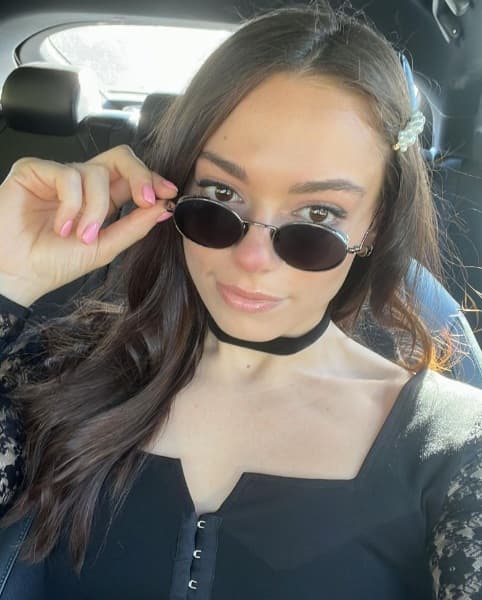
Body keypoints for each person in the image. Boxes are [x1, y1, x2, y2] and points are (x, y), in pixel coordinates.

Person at [0, 2, 480, 598]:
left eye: (317, 215)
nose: (252, 259)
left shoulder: (458, 451)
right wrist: (8, 277)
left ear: (375, 224)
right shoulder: (59, 372)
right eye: (221, 195)